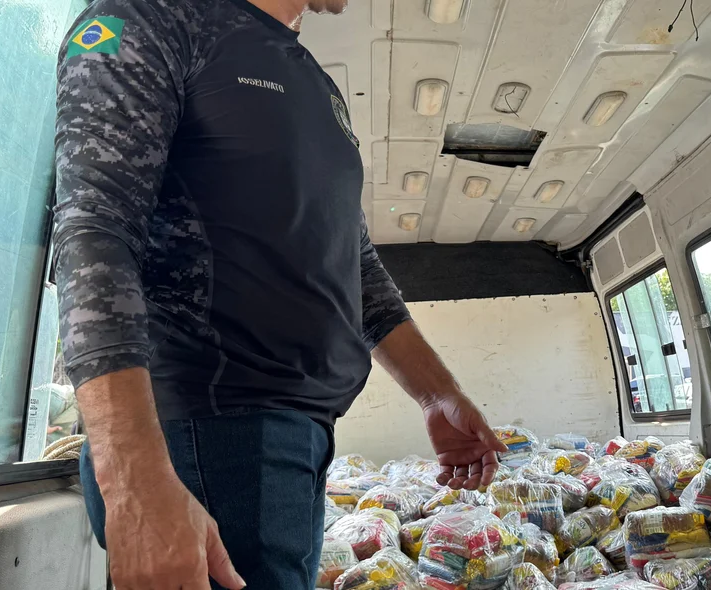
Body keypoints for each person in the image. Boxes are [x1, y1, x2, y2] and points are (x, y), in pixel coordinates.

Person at [53, 0, 508, 588]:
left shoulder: (314, 80)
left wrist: (436, 395)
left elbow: (357, 264)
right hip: (199, 436)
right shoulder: (146, 17)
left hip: (293, 440)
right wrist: (133, 478)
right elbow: (93, 228)